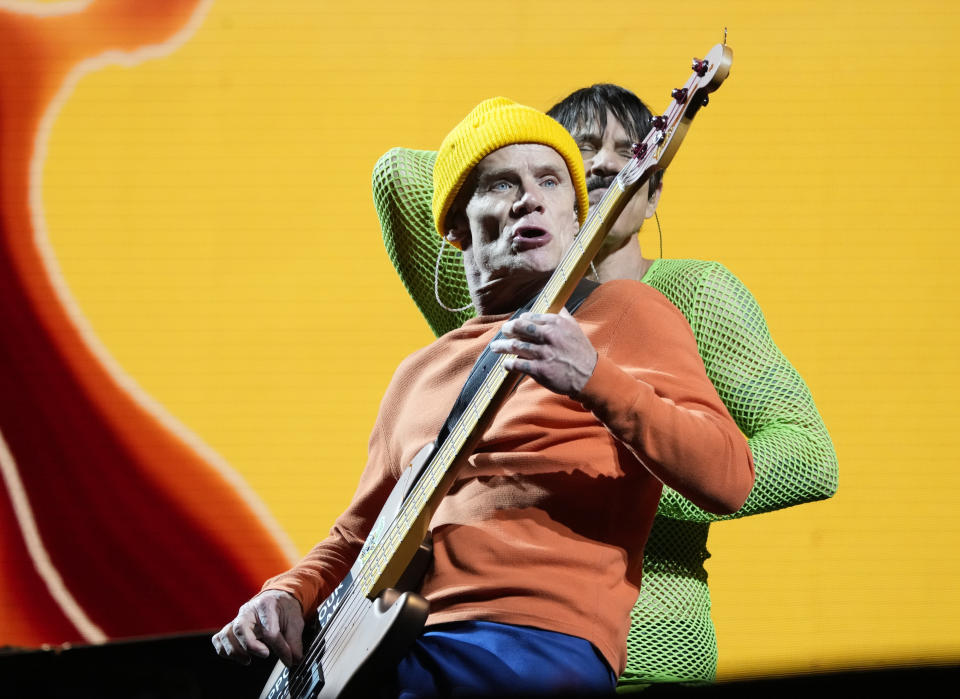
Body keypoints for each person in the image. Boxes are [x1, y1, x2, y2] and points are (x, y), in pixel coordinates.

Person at [212, 97, 755, 697]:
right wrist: (285, 593)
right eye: (501, 184)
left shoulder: (627, 313)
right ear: (456, 229)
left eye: (551, 181)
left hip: (530, 645)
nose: (531, 198)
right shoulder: (420, 372)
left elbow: (729, 477)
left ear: (575, 218)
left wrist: (595, 377)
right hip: (393, 648)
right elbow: (358, 535)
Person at [371, 84, 838, 689]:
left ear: (654, 193)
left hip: (653, 643)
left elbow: (808, 457)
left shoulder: (694, 292)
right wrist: (524, 163)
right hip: (477, 644)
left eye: (632, 151)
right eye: (584, 150)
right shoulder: (506, 304)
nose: (608, 164)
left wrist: (608, 478)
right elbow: (399, 176)